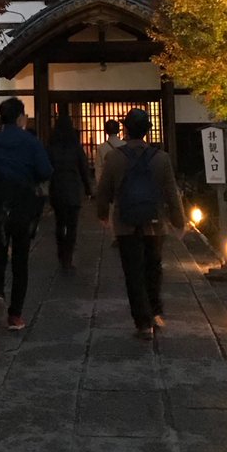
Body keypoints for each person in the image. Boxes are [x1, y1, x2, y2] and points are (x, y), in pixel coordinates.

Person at [95, 107, 184, 340]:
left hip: (126, 223)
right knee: (153, 268)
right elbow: (171, 193)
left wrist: (102, 213)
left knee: (133, 272)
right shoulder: (161, 158)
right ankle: (155, 311)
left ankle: (143, 322)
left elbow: (103, 190)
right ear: (147, 131)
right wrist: (178, 220)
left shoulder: (114, 158)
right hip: (155, 223)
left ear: (125, 129)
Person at [0, 96, 52, 331]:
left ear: (0, 117)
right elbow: (45, 170)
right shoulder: (31, 142)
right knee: (20, 259)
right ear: (20, 117)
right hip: (23, 205)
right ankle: (15, 315)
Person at [46, 113, 92, 270]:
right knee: (72, 225)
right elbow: (84, 168)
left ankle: (61, 254)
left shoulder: (51, 147)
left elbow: (45, 168)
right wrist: (88, 188)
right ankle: (68, 257)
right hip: (73, 188)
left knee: (60, 223)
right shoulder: (75, 147)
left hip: (57, 187)